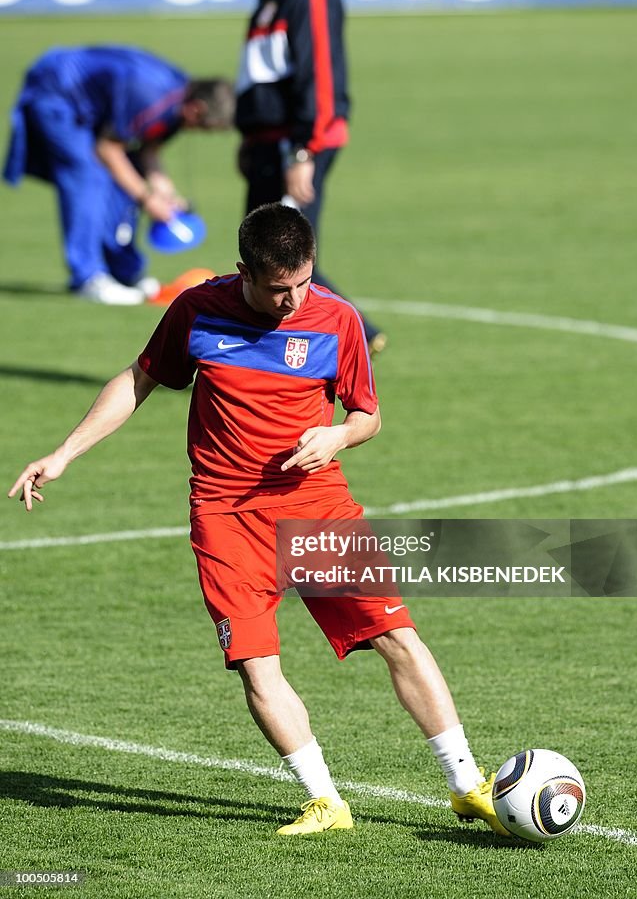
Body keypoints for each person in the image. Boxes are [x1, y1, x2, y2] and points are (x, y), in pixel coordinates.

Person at [8, 203, 507, 838]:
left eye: (303, 282)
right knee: (256, 661)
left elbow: (367, 415)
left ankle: (468, 785)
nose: (293, 300)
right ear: (245, 271)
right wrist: (63, 454)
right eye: (278, 289)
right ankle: (325, 801)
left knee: (396, 636)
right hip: (224, 514)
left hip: (316, 503)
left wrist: (336, 437)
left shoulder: (337, 318)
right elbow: (138, 381)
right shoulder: (196, 310)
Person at [235, 0, 386, 355]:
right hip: (270, 144)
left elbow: (319, 77)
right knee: (260, 253)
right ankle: (339, 335)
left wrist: (303, 152)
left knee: (285, 256)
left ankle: (351, 336)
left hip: (297, 145)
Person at [3, 46, 234, 305]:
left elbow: (148, 148)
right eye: (203, 127)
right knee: (89, 175)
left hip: (86, 104)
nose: (198, 131)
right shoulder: (152, 96)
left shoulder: (178, 99)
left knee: (125, 176)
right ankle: (88, 278)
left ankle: (124, 273)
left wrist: (164, 193)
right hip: (56, 89)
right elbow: (108, 149)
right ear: (196, 109)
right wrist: (148, 198)